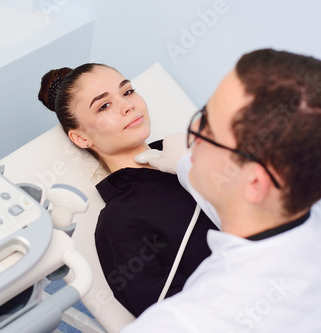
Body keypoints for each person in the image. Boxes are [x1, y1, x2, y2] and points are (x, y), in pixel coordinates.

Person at [126, 48, 321, 332]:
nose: (193, 127)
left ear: (256, 183)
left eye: (207, 129)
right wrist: (185, 164)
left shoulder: (186, 322)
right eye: (204, 110)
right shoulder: (301, 199)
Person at [38, 63, 217, 316]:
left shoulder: (196, 153)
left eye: (128, 91)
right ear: (81, 138)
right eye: (104, 106)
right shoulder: (120, 222)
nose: (127, 105)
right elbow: (172, 321)